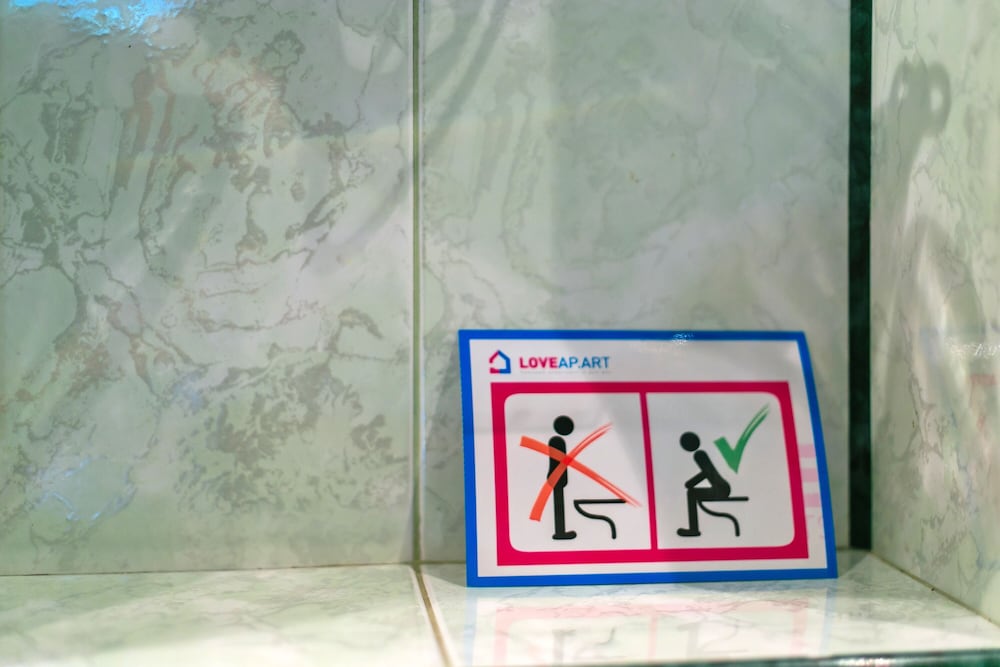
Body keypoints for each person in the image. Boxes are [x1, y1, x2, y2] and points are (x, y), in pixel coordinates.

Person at [677, 431, 731, 537]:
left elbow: (706, 473)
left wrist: (690, 483)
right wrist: (690, 483)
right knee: (691, 492)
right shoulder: (700, 454)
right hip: (722, 488)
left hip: (721, 489)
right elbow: (706, 473)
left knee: (691, 493)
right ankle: (693, 529)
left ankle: (694, 529)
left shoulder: (699, 455)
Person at [549, 415, 577, 539]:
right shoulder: (557, 442)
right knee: (558, 502)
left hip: (557, 477)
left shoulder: (556, 441)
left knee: (558, 502)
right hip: (558, 478)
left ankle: (560, 532)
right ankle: (560, 532)